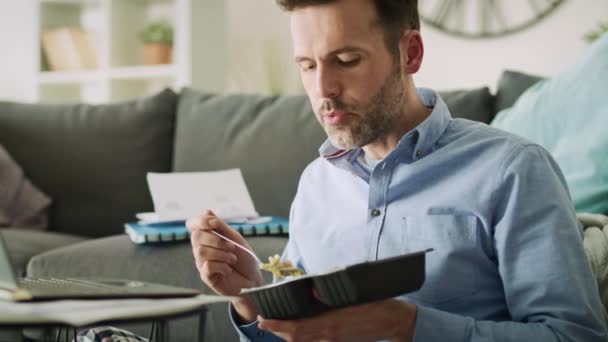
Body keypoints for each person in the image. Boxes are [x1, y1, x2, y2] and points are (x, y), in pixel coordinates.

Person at [186, 0, 608, 341]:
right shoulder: (317, 183)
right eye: (308, 66)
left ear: (410, 53)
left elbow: (573, 335)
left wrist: (403, 325)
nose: (323, 90)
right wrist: (251, 299)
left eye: (346, 60)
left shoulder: (512, 170)